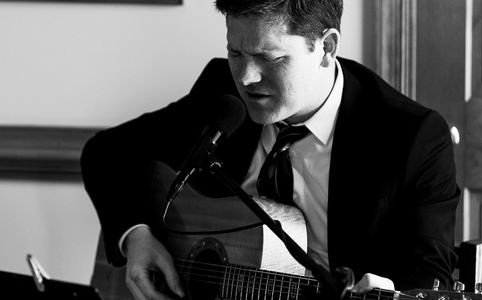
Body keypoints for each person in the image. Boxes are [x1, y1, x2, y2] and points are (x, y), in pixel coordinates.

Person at [80, 0, 460, 299]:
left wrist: (389, 289)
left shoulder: (412, 137)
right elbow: (107, 152)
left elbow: (428, 276)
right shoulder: (222, 91)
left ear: (326, 48)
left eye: (269, 58)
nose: (246, 77)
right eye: (236, 53)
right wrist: (138, 236)